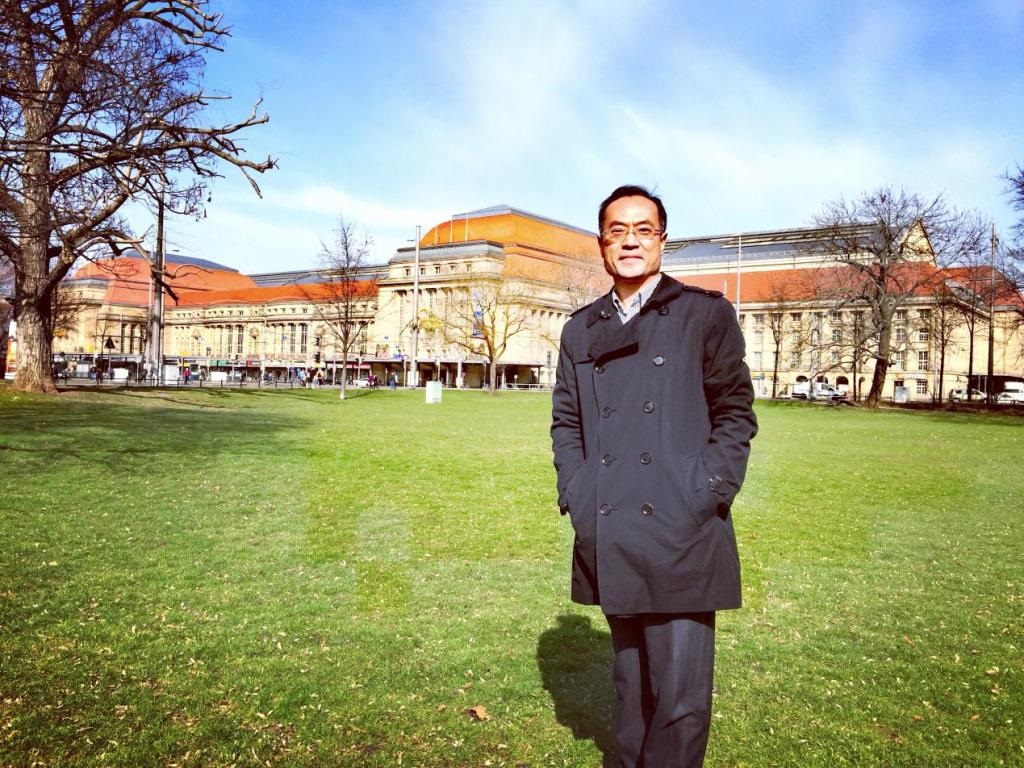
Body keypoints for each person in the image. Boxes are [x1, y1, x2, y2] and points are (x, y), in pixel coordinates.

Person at [551, 185, 757, 767]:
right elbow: (567, 422)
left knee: (679, 701)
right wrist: (578, 492)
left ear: (662, 240)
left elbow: (735, 413)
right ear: (601, 245)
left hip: (681, 528)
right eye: (617, 231)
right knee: (630, 686)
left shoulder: (704, 314)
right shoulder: (580, 329)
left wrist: (706, 493)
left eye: (643, 229)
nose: (630, 241)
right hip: (611, 524)